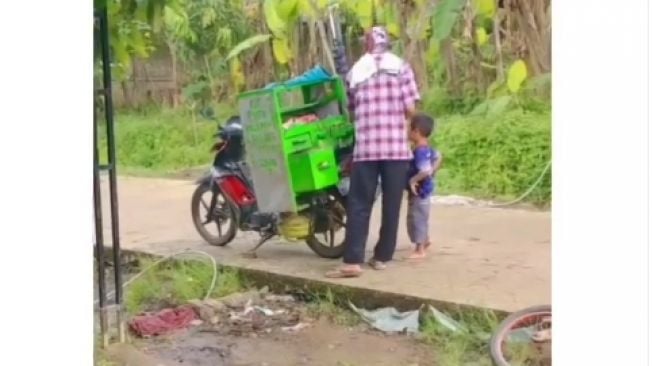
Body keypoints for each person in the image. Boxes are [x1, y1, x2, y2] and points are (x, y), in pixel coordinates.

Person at [326, 26, 420, 278]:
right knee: (391, 204)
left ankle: (353, 261)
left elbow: (352, 108)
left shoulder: (356, 70)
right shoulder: (401, 67)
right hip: (395, 149)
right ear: (387, 43)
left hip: (366, 148)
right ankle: (381, 257)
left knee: (359, 203)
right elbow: (411, 109)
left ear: (367, 44)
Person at [405, 113, 442, 260]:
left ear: (416, 132)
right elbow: (439, 156)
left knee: (416, 218)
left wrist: (412, 180)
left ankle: (419, 249)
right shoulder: (425, 148)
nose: (407, 131)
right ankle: (425, 240)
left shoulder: (420, 151)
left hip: (419, 192)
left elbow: (424, 170)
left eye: (409, 128)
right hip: (424, 191)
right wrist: (433, 170)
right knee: (420, 216)